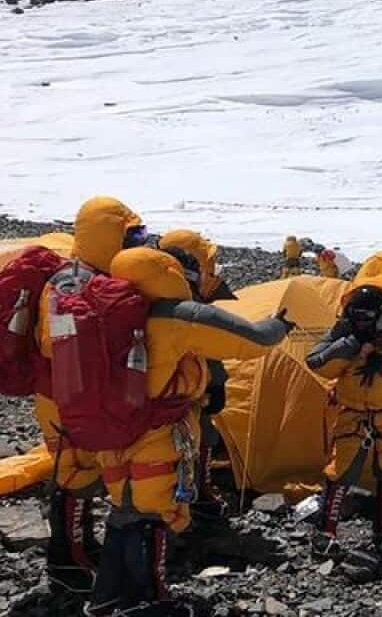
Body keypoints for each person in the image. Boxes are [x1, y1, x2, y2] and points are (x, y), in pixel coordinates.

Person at [86, 247, 294, 616]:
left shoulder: (101, 310)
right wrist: (278, 326)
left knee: (124, 510)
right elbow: (249, 339)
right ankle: (149, 601)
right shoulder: (174, 317)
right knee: (153, 517)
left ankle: (107, 598)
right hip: (156, 436)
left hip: (111, 433)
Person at [33, 196, 147, 599]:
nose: (138, 242)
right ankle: (66, 560)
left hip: (76, 393)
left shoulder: (92, 277)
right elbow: (57, 343)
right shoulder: (69, 283)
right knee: (73, 475)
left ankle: (82, 548)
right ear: (107, 235)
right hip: (62, 394)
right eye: (132, 234)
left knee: (86, 474)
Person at [306, 278, 382, 558]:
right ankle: (327, 531)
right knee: (340, 472)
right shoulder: (345, 332)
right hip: (354, 413)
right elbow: (316, 361)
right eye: (356, 316)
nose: (361, 322)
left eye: (367, 317)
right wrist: (350, 345)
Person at [158, 229, 238, 523]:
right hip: (186, 390)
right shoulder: (188, 302)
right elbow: (206, 347)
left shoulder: (148, 290)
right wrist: (217, 384)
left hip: (156, 389)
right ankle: (196, 497)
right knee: (199, 435)